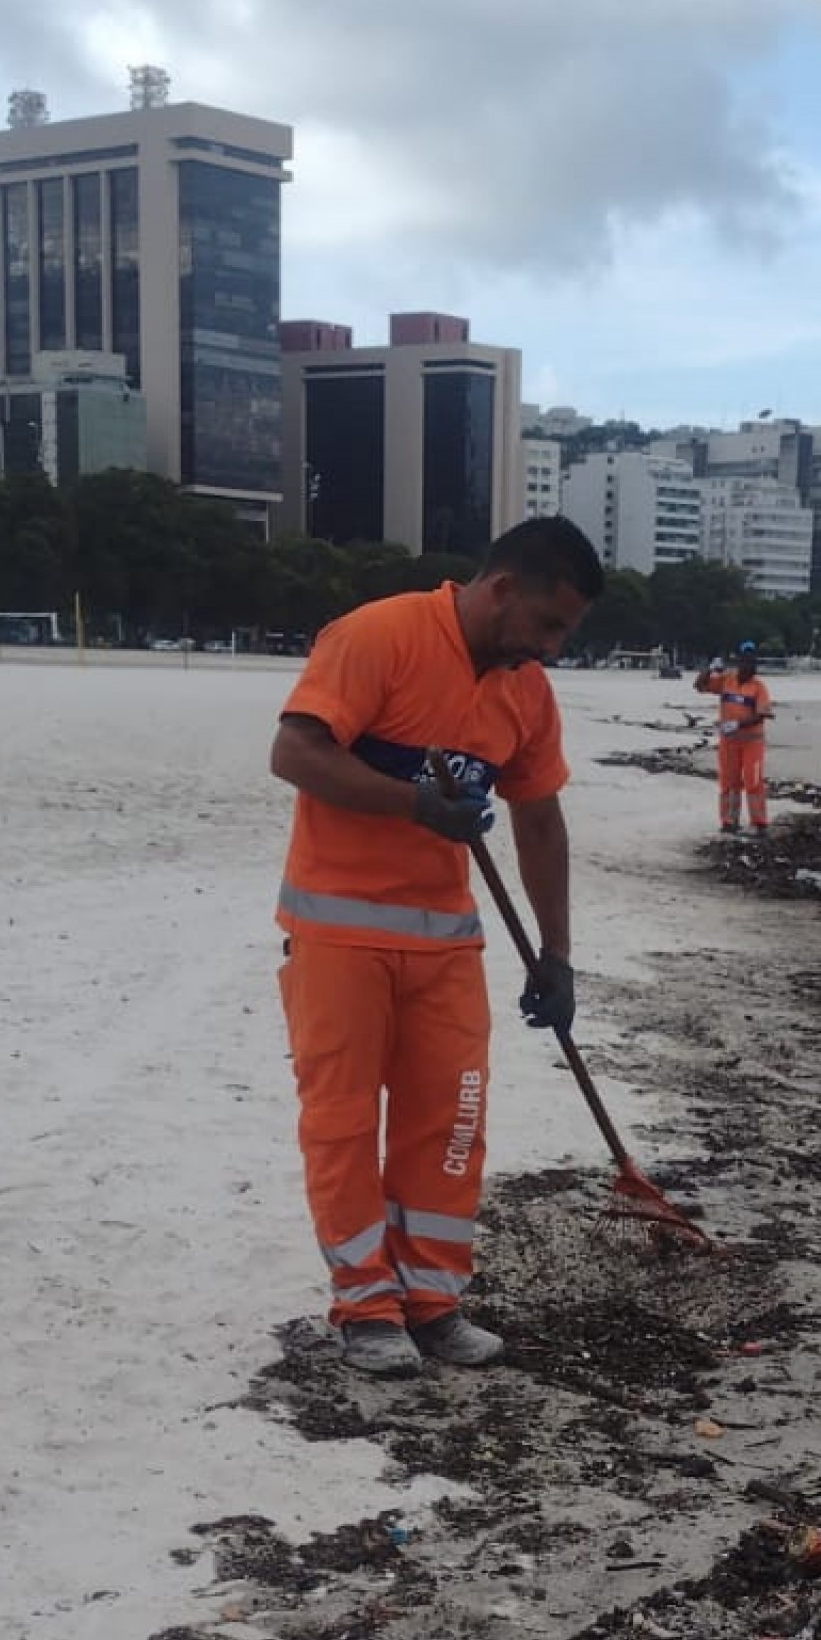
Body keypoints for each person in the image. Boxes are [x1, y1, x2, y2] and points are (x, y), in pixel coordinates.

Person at [269, 517, 605, 1377]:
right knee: (342, 1124)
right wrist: (413, 805)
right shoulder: (377, 636)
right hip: (338, 930)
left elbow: (539, 817)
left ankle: (432, 1299)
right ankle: (366, 1305)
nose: (554, 649)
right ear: (503, 591)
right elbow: (296, 752)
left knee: (451, 1121)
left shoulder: (523, 690)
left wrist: (556, 955)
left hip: (444, 941)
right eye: (550, 625)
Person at [695, 640, 773, 835]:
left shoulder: (759, 687)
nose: (751, 667)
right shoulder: (726, 680)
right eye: (747, 662)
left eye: (753, 663)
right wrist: (710, 669)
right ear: (739, 663)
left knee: (753, 781)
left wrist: (738, 724)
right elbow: (699, 685)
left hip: (752, 743)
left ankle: (759, 823)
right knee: (729, 782)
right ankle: (729, 821)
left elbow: (761, 714)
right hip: (729, 742)